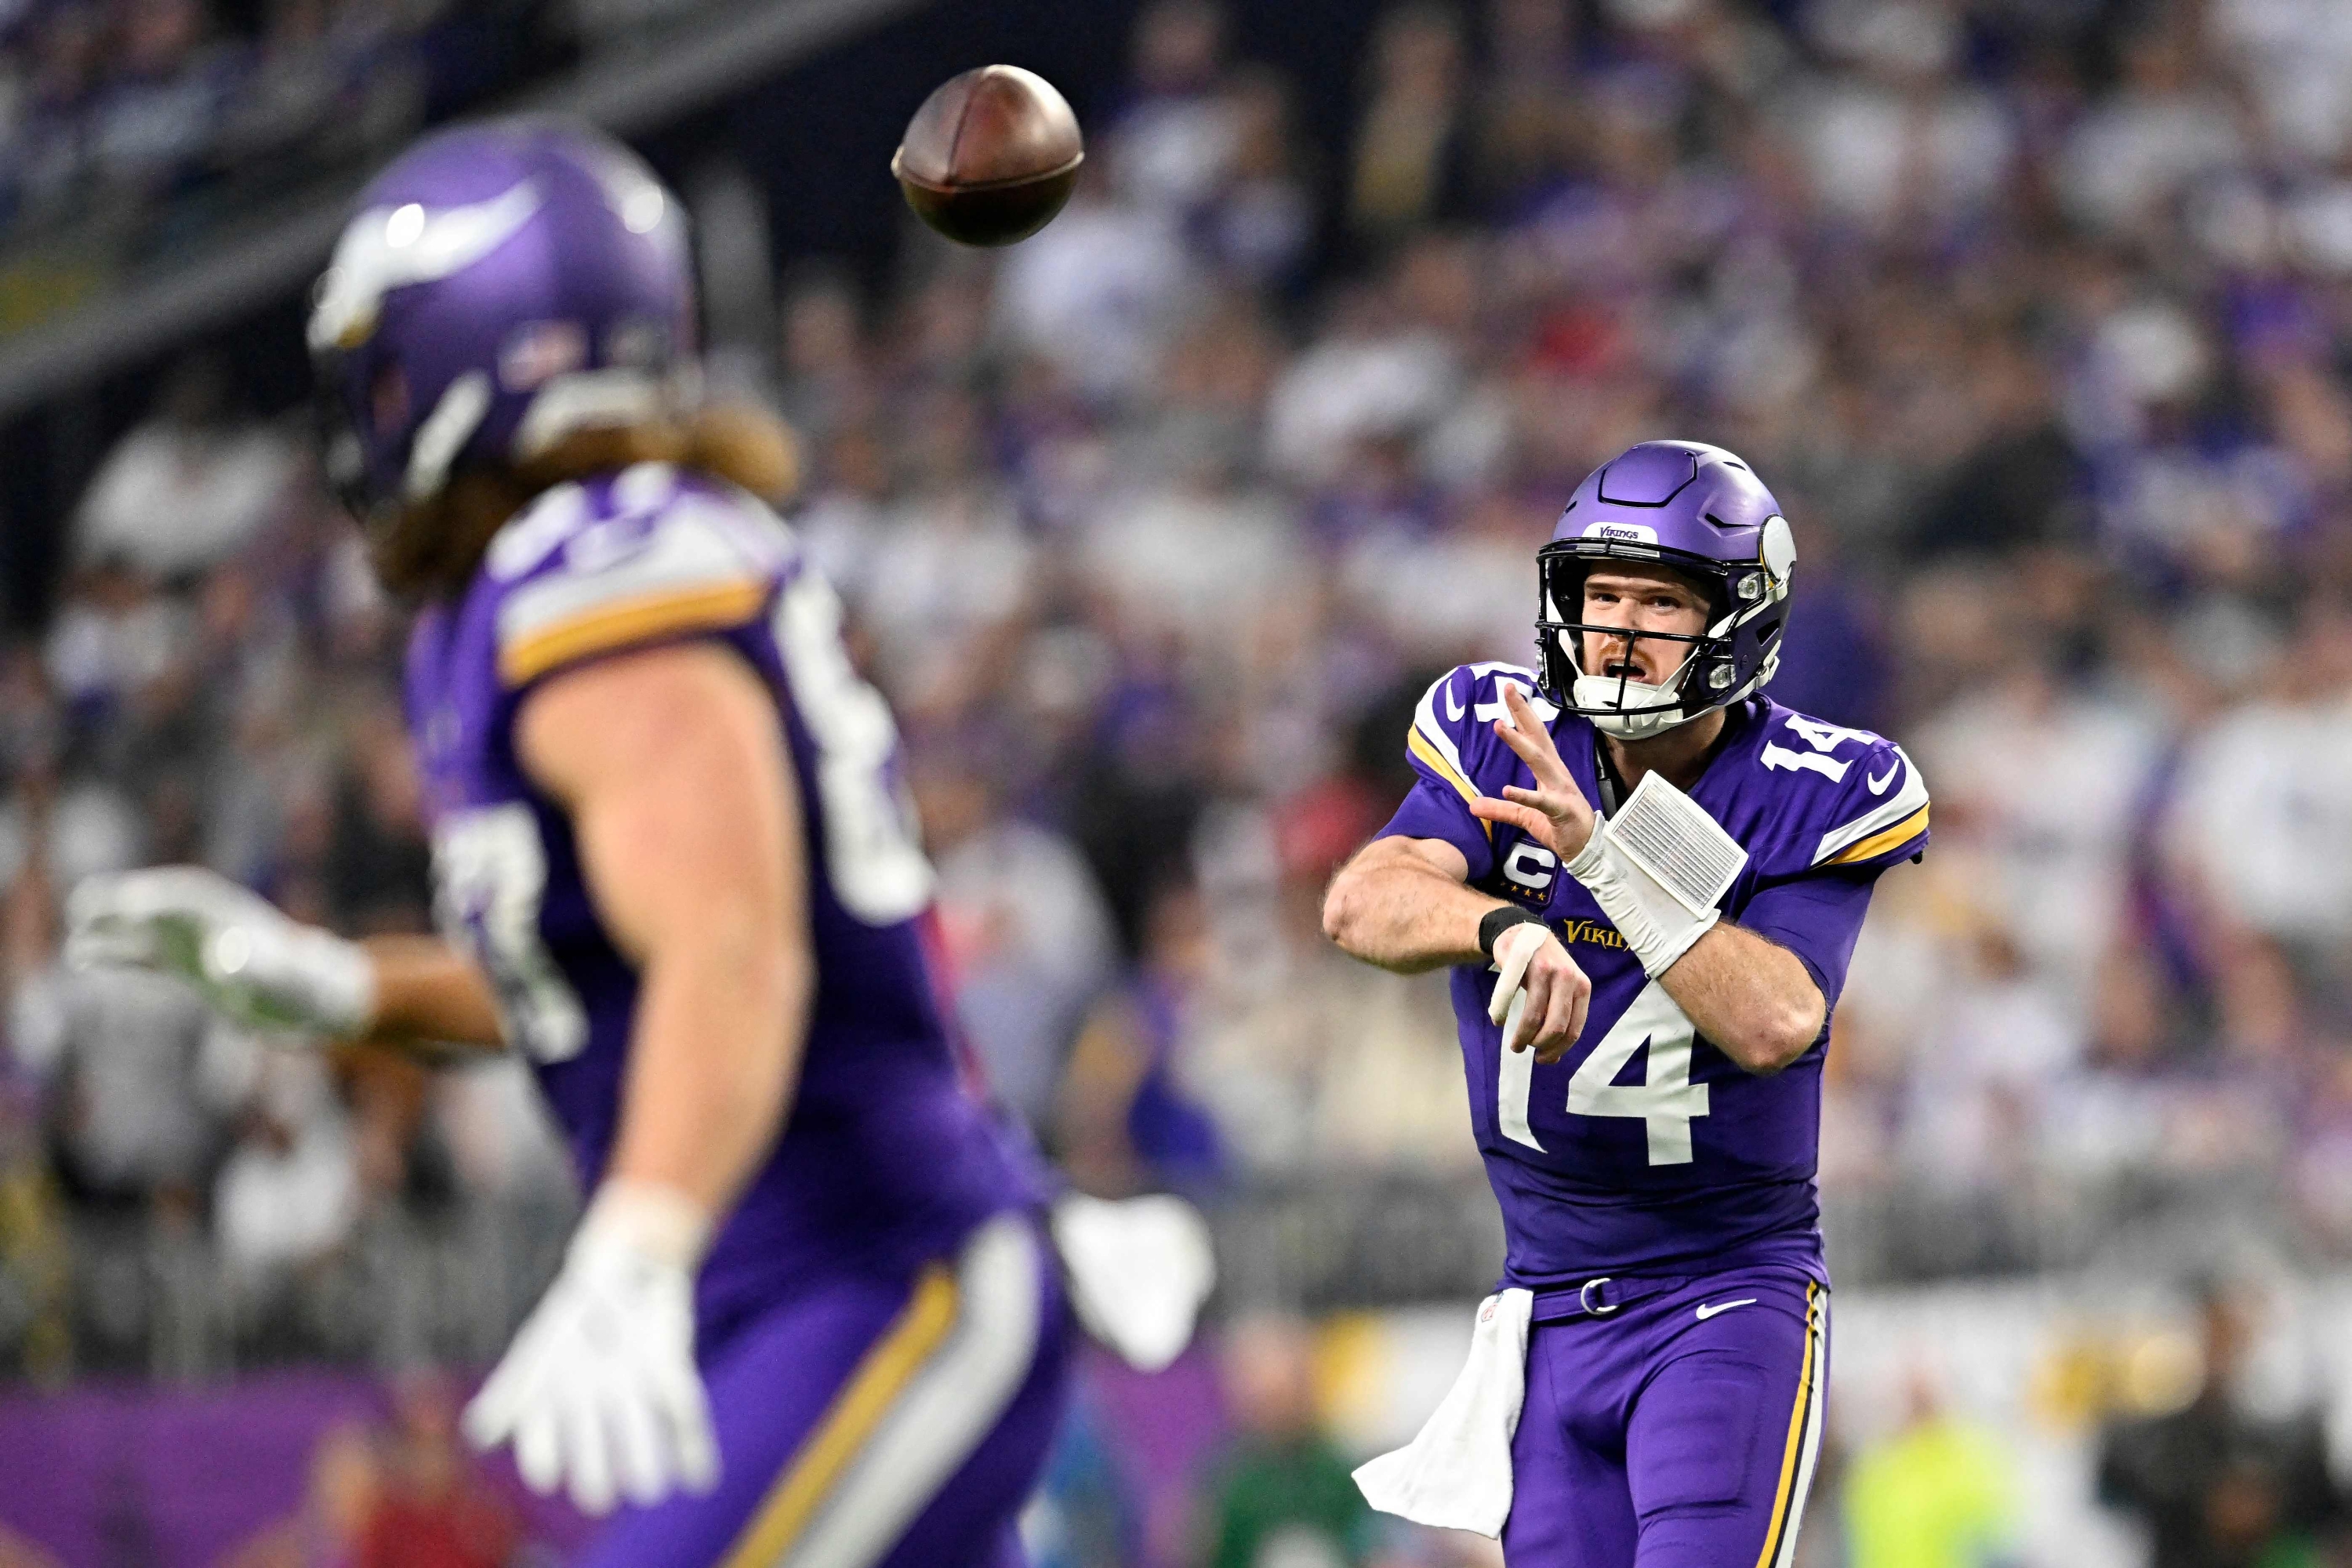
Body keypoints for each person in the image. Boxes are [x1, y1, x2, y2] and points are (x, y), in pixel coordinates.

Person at [64, 121, 1071, 1567]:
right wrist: (351, 991)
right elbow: (620, 962)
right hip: (788, 1301)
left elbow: (729, 943)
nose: (365, 411)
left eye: (384, 365)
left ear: (491, 352)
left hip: (873, 1276)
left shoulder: (589, 566)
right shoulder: (521, 596)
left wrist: (637, 1239)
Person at [1324, 441, 1932, 1566]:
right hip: (1544, 1304)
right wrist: (1504, 925)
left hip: (1725, 1297)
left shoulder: (1821, 784)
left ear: (1740, 621)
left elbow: (1776, 1021)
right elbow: (1362, 904)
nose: (1620, 629)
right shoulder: (1499, 730)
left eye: (1660, 600)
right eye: (1603, 594)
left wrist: (1601, 857)